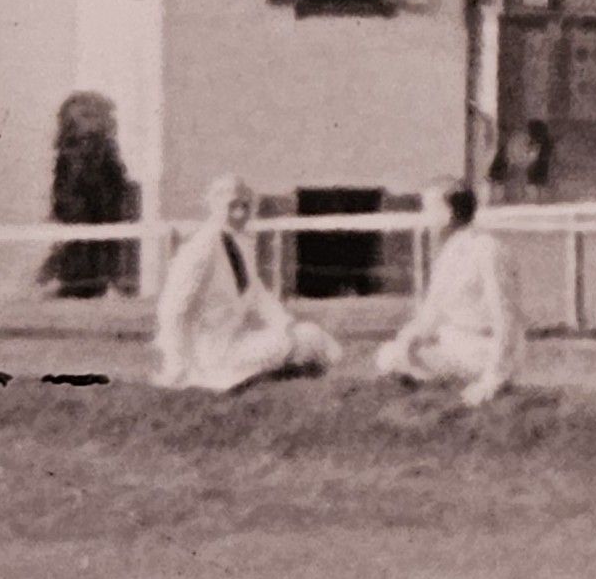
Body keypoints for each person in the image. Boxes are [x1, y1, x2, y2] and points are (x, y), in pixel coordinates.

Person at [151, 174, 340, 390]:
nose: (240, 213)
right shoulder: (199, 249)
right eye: (232, 206)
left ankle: (290, 378)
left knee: (309, 336)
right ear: (214, 205)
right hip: (210, 355)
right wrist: (177, 366)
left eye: (245, 206)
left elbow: (257, 293)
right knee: (307, 341)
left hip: (236, 343)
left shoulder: (239, 244)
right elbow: (172, 310)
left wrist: (285, 324)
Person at [371, 179, 521, 404]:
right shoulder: (448, 252)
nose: (424, 217)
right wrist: (407, 341)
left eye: (430, 209)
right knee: (389, 356)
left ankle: (469, 384)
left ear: (450, 212)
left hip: (484, 351)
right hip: (454, 347)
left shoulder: (488, 250)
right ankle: (431, 389)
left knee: (402, 363)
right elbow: (431, 315)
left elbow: (506, 319)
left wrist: (493, 378)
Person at [41, 92, 134, 297]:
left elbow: (114, 188)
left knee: (92, 256)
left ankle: (92, 282)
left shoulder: (104, 151)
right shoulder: (68, 153)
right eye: (85, 116)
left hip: (98, 219)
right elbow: (64, 188)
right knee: (78, 256)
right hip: (76, 219)